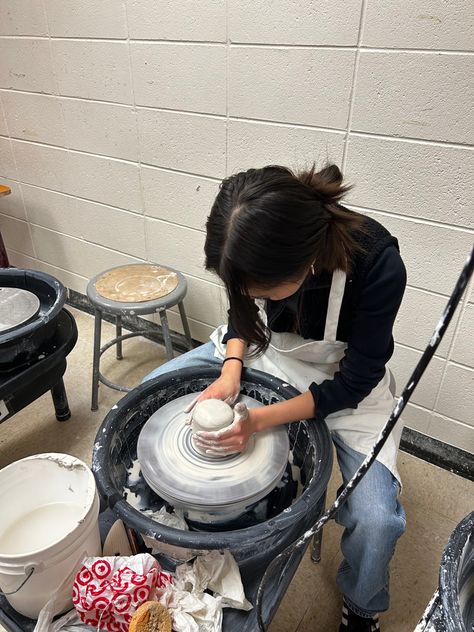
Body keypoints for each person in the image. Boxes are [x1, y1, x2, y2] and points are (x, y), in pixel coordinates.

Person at [145, 163, 407, 632]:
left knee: (378, 519)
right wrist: (231, 368)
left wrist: (259, 421)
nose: (251, 294)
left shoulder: (378, 264)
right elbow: (242, 312)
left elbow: (353, 384)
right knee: (155, 389)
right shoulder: (256, 238)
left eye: (262, 289)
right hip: (267, 352)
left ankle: (363, 607)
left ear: (304, 266)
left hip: (345, 384)